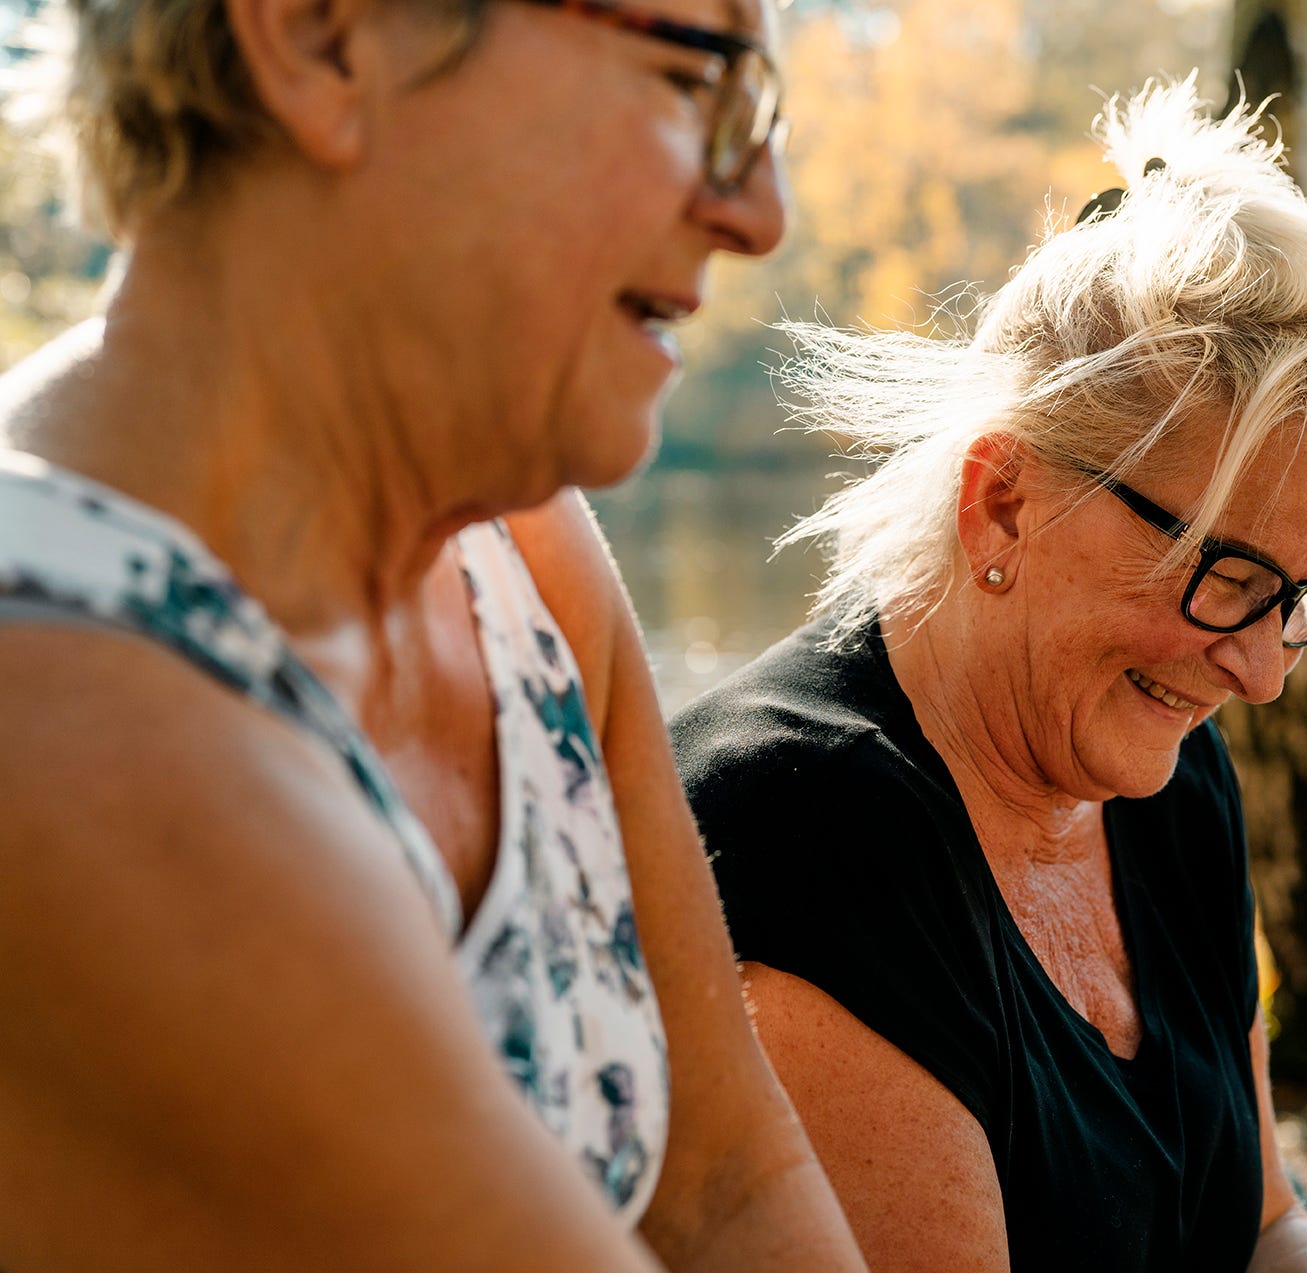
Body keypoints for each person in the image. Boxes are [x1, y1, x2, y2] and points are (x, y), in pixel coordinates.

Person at [0, 0, 865, 1269]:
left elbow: (727, 1183)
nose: (760, 210)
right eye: (696, 78)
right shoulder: (59, 720)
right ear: (322, 37)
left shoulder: (523, 556)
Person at [670, 77, 1307, 1272]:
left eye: (1297, 601)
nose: (1262, 671)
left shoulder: (1170, 781)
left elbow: (1266, 1226)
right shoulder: (806, 825)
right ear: (1005, 501)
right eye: (1225, 576)